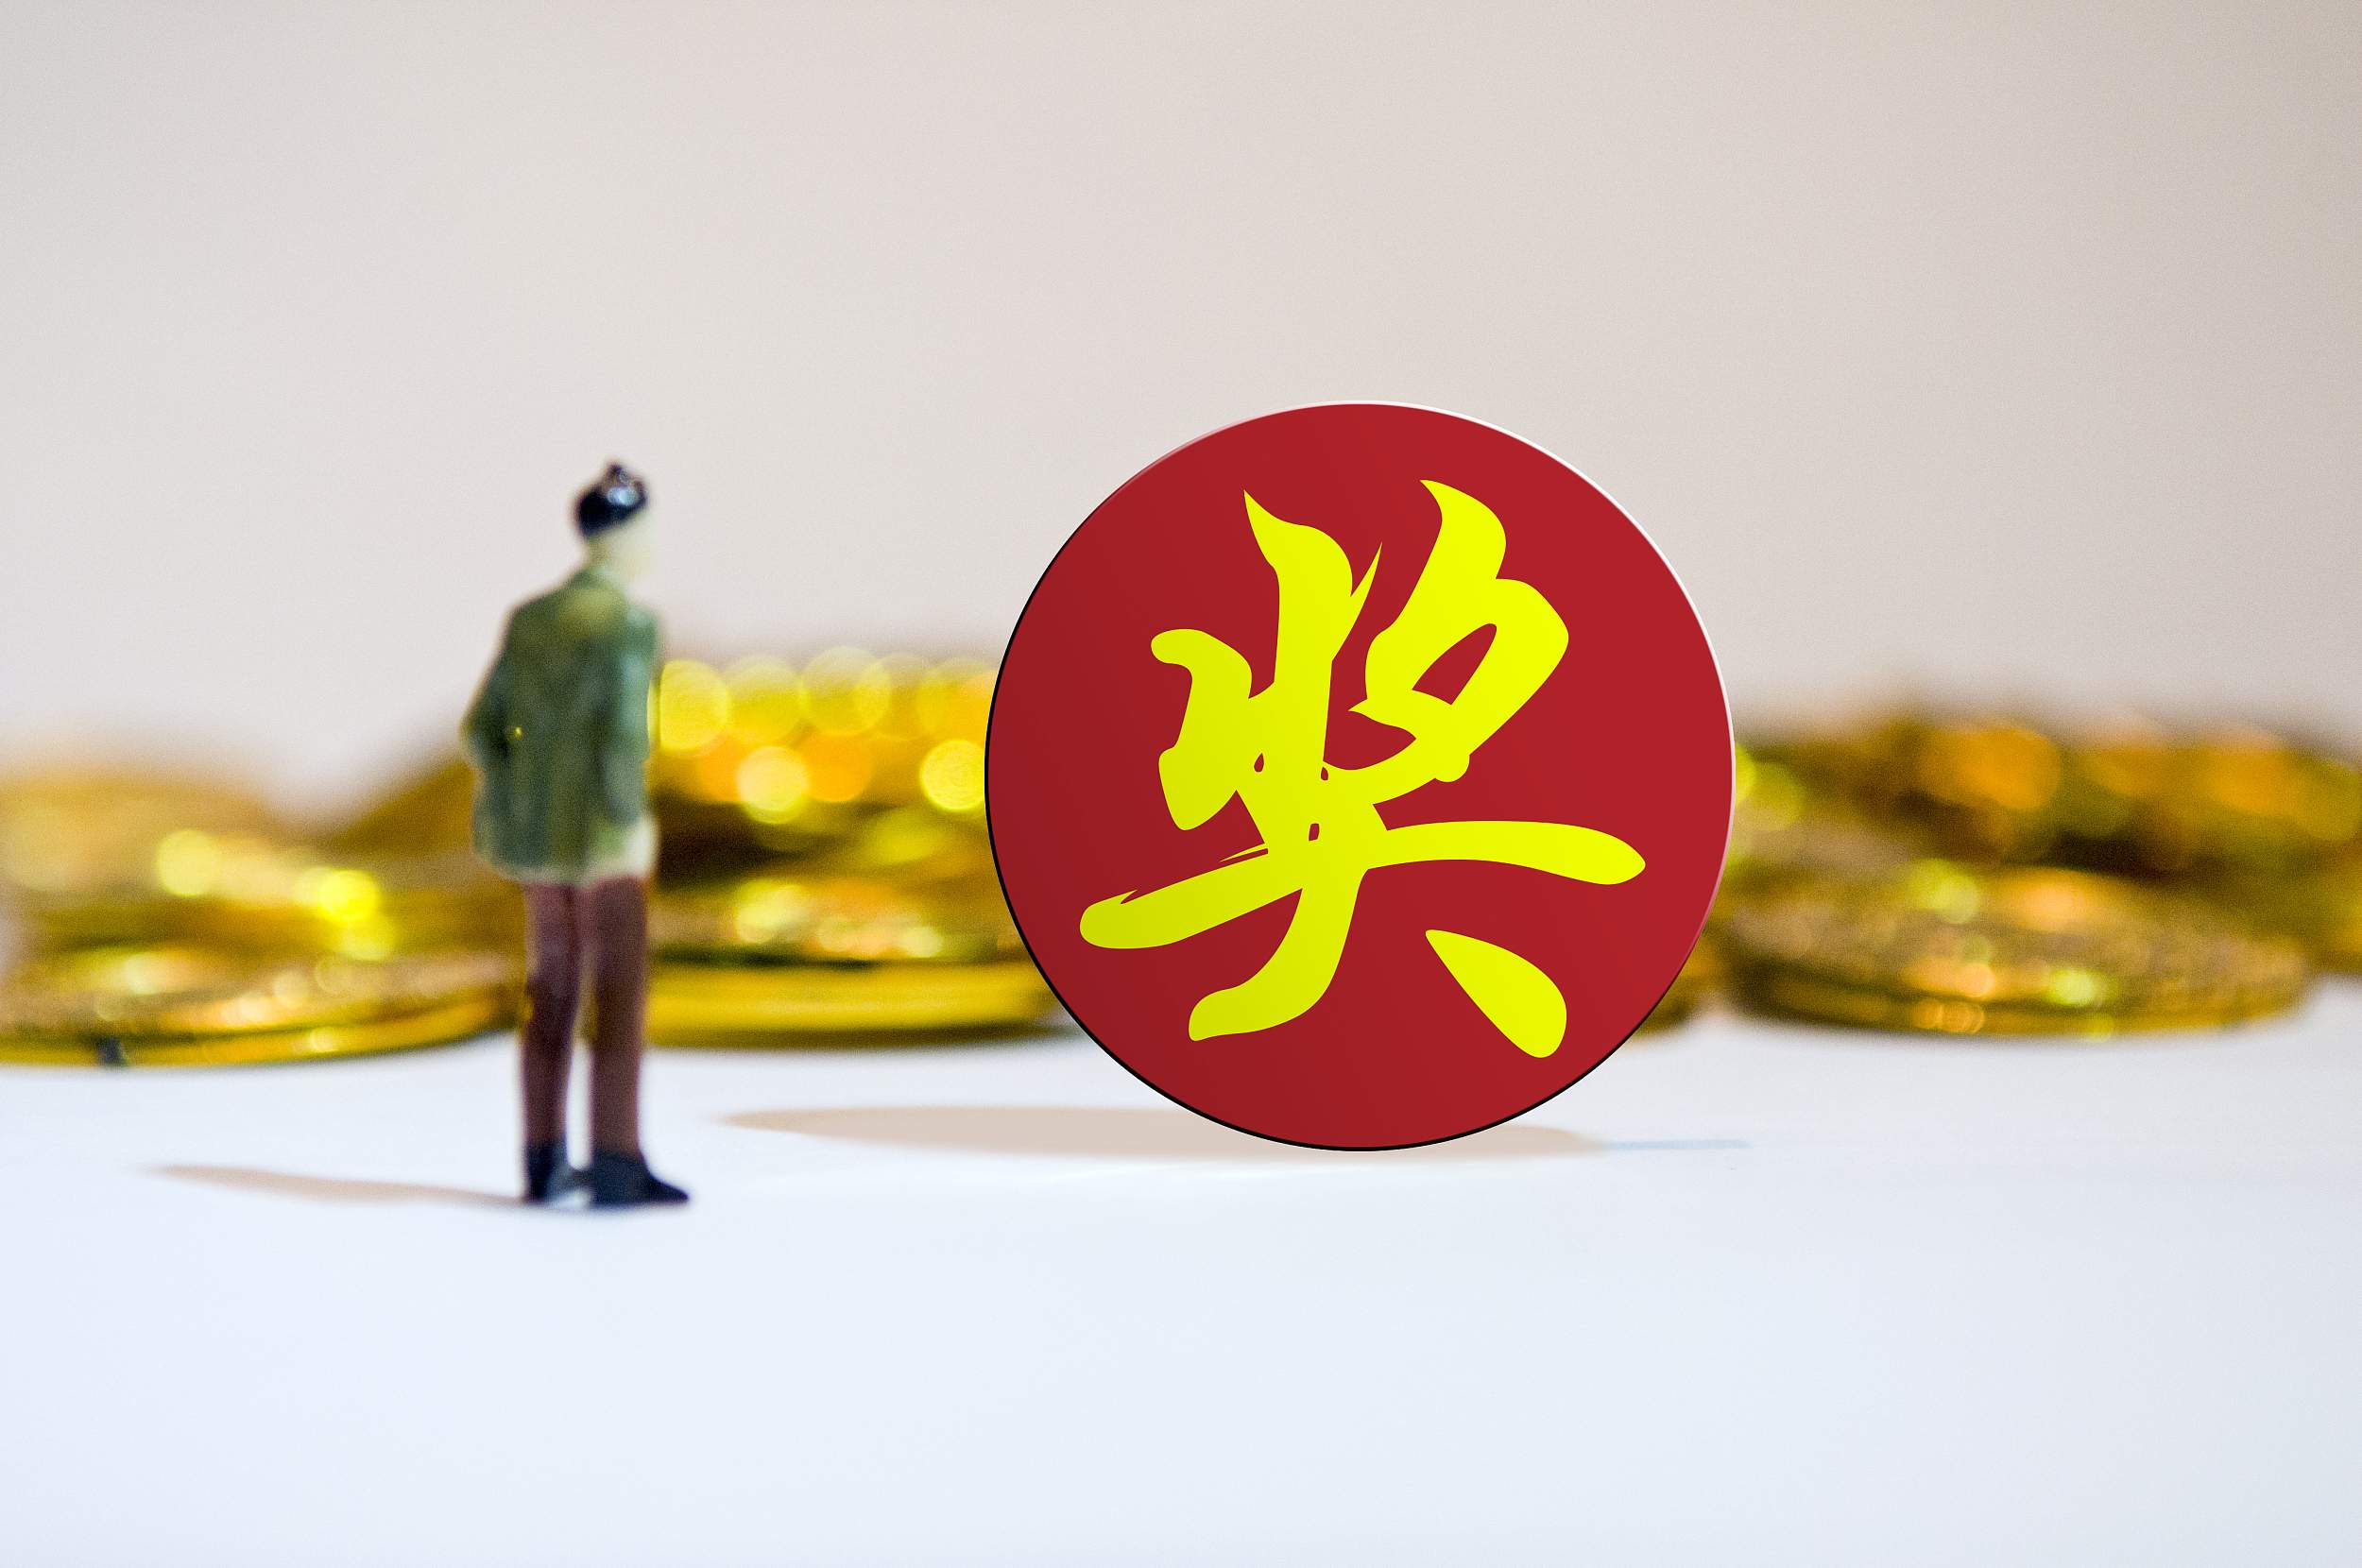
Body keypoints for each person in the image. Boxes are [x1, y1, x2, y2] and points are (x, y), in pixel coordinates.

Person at [462, 464, 688, 1207]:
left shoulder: (531, 619)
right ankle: (616, 1159)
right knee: (617, 999)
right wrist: (628, 820)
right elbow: (623, 737)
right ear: (623, 536)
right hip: (604, 845)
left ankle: (542, 1159)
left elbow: (482, 729)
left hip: (539, 847)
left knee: (549, 994)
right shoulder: (627, 623)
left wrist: (517, 805)